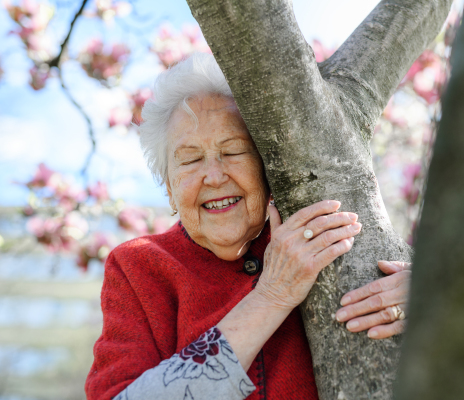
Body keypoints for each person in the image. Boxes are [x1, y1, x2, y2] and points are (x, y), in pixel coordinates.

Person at [85, 52, 411, 400]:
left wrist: (430, 306)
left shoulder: (317, 236)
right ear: (169, 189)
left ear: (267, 168)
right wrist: (272, 295)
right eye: (192, 159)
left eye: (235, 151)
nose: (213, 175)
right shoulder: (138, 266)